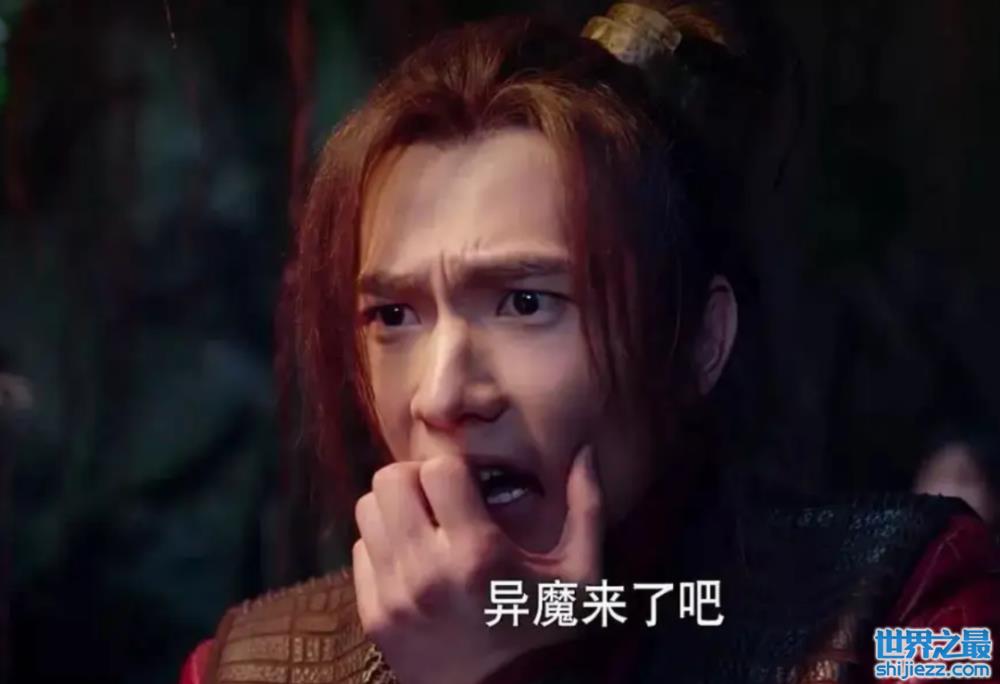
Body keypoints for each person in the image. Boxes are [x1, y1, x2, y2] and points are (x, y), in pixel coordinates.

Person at [180, 2, 1000, 683]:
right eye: (394, 316)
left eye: (525, 303)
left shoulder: (913, 611)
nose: (442, 394)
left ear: (698, 340)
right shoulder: (244, 664)